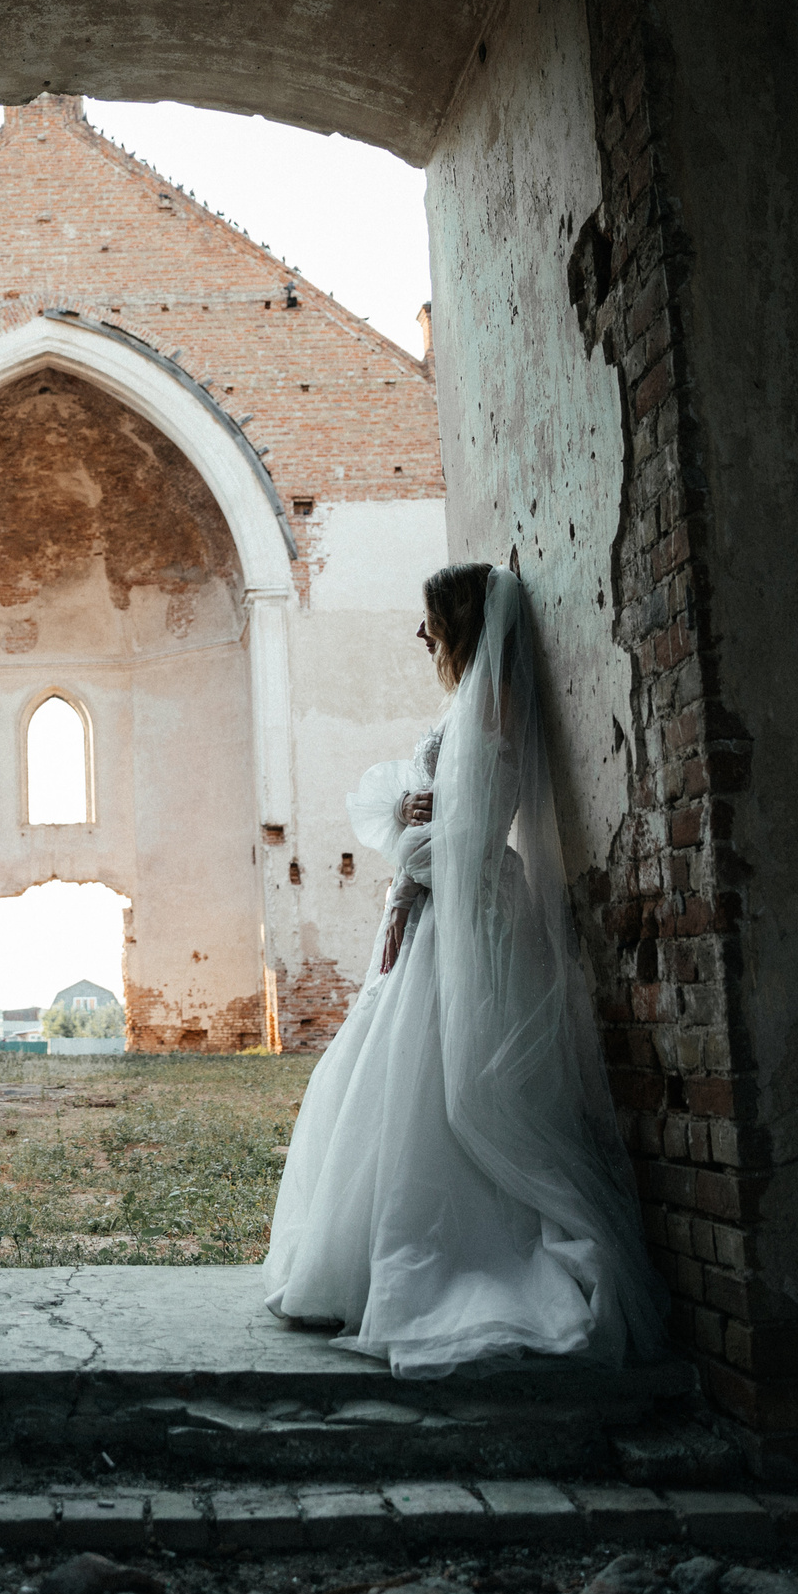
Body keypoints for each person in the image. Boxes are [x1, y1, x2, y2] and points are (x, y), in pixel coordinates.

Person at [262, 562, 666, 1376]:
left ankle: (455, 1269)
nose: (420, 634)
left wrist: (415, 847)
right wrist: (420, 812)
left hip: (466, 910)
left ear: (461, 622)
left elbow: (475, 832)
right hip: (444, 906)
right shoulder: (472, 703)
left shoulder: (494, 706)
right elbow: (455, 806)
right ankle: (371, 1262)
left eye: (431, 619)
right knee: (395, 1077)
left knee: (443, 1076)